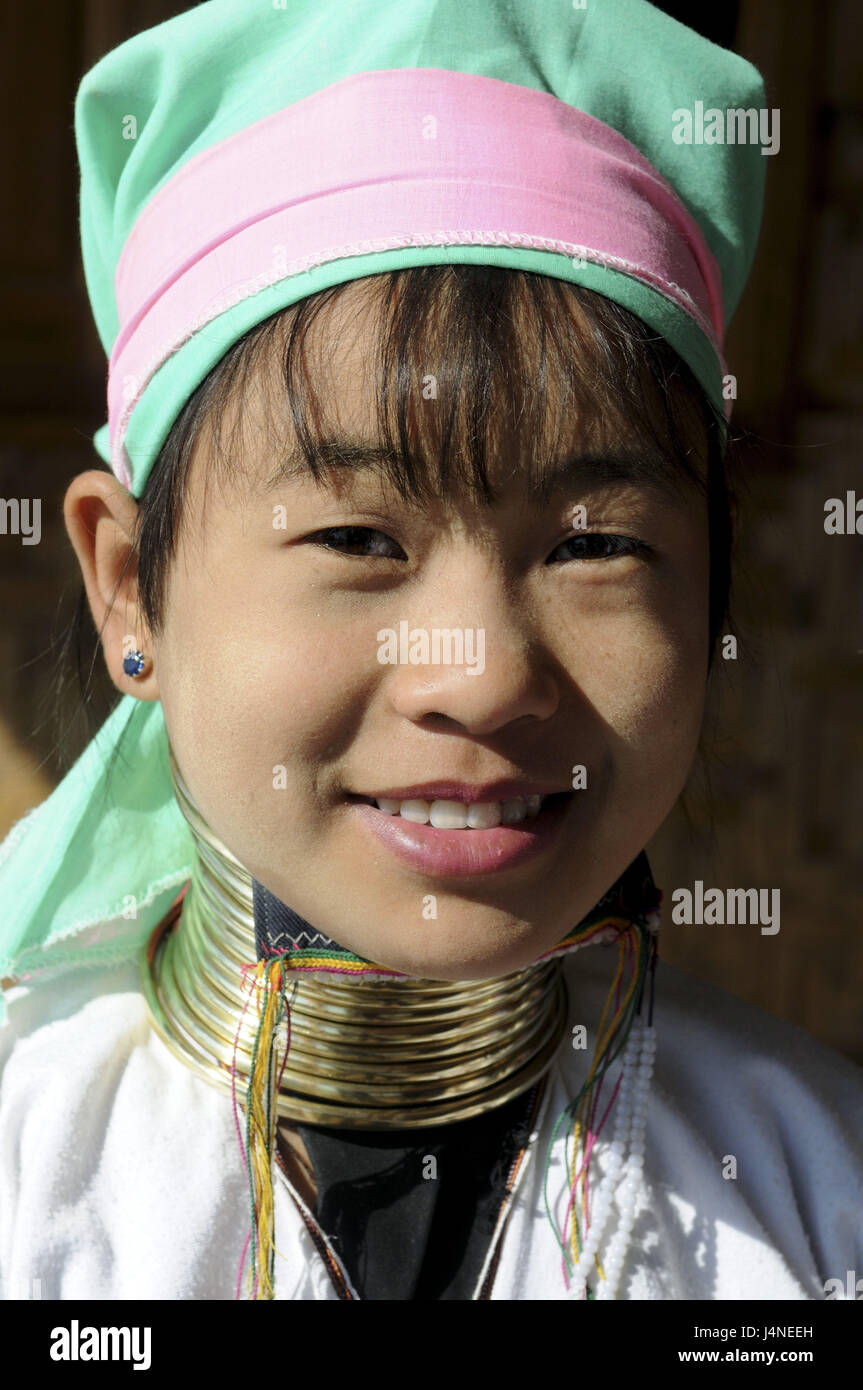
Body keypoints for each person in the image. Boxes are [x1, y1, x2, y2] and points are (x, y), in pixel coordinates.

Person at [1, 0, 861, 1303]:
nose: (484, 672)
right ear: (131, 590)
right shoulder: (27, 1171)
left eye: (596, 546)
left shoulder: (817, 1195)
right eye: (356, 535)